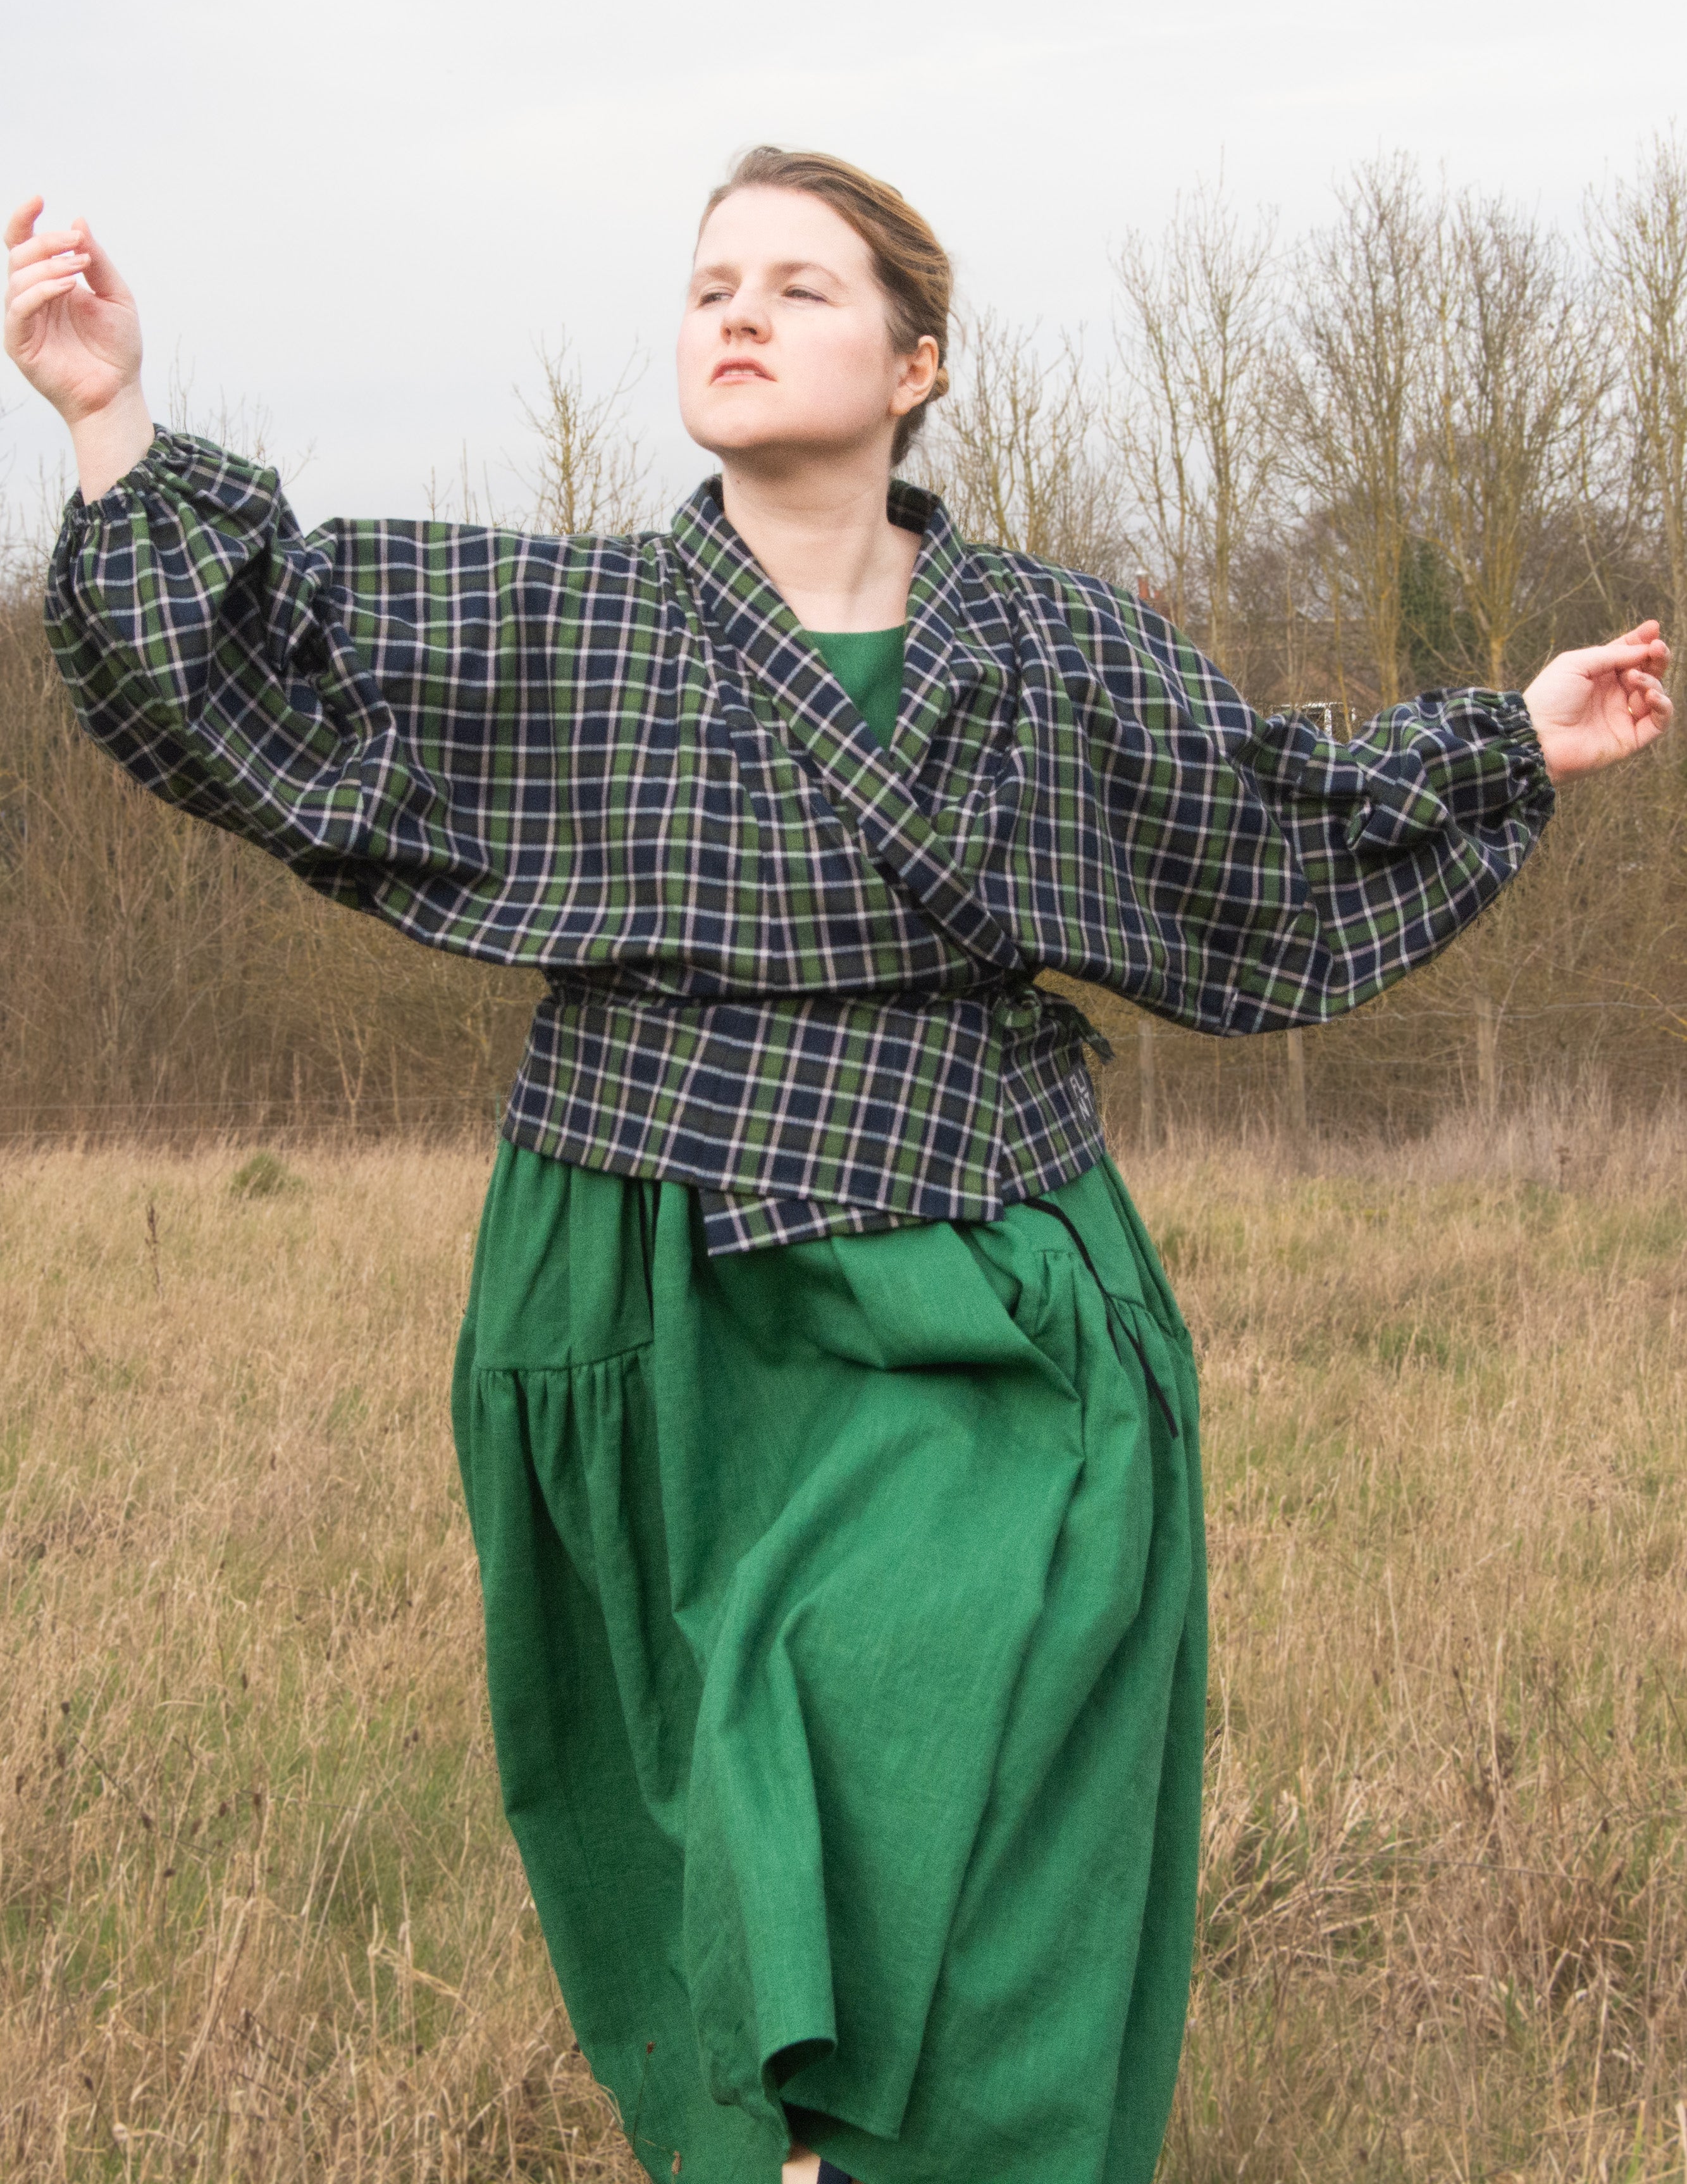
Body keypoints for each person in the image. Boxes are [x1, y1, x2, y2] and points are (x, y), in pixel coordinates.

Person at [4, 152, 1671, 2184]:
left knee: (907, 1736)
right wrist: (106, 416)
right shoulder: (572, 623)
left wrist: (1511, 734)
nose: (736, 313)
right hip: (653, 1266)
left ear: (915, 363)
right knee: (697, 1795)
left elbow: (1268, 834)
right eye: (711, 282)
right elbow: (246, 672)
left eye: (799, 287)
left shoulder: (1052, 651)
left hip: (991, 1282)